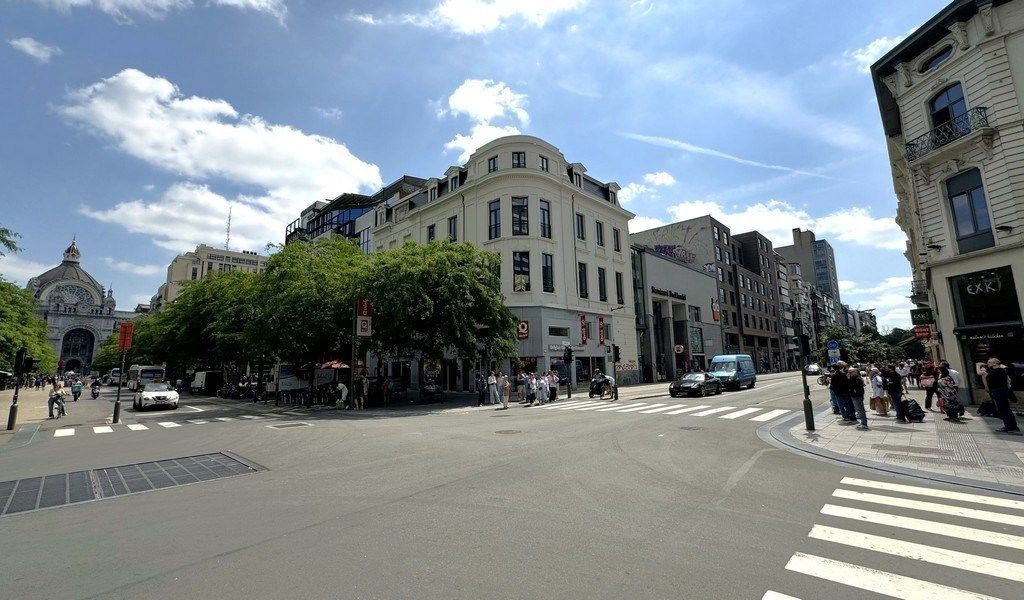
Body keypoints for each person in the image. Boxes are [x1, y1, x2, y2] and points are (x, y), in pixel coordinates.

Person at [982, 358, 1020, 434]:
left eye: (989, 362)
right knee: (1003, 409)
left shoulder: (999, 370)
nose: (987, 363)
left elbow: (981, 374)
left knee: (1004, 409)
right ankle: (1009, 426)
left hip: (1000, 391)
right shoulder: (995, 371)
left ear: (995, 363)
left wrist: (978, 366)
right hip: (998, 391)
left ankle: (1011, 427)